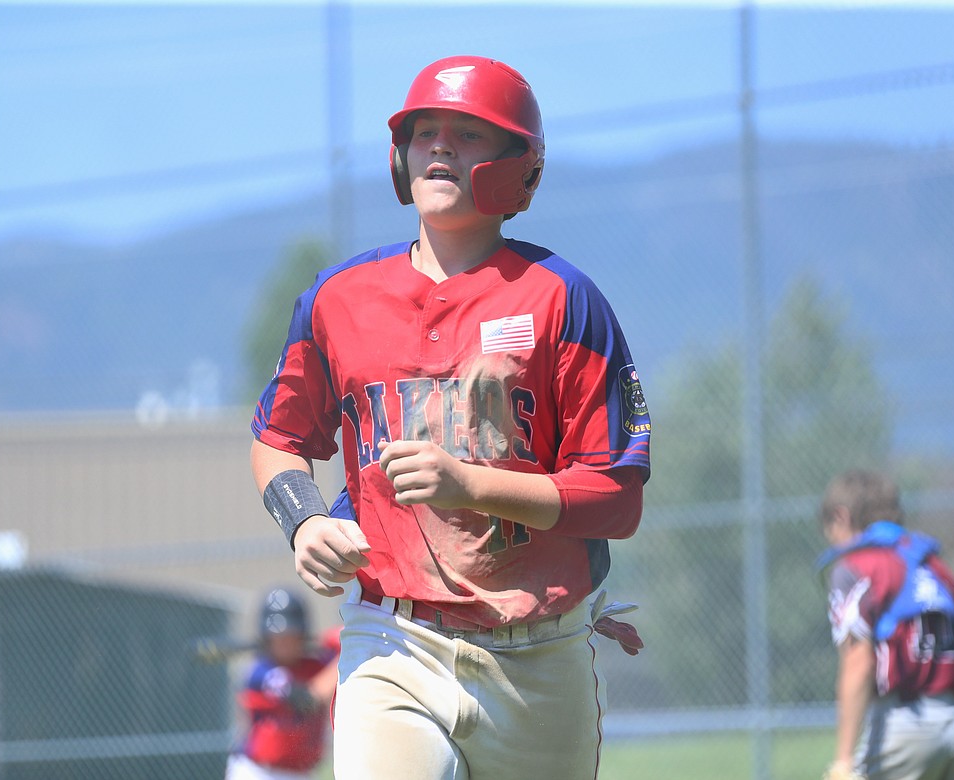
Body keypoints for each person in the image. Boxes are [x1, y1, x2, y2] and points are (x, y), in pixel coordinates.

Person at [250, 55, 651, 779]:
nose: (438, 146)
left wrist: (470, 484)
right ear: (400, 159)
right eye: (424, 131)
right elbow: (278, 441)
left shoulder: (562, 299)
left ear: (517, 167)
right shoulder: (339, 299)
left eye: (467, 134)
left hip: (539, 652)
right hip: (393, 639)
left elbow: (617, 500)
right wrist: (305, 520)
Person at [816, 469, 954, 780]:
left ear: (840, 516)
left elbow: (859, 661)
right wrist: (953, 731)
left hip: (901, 726)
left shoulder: (857, 566)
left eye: (830, 529)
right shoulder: (937, 567)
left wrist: (843, 760)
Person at [226, 587, 341, 780]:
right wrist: (341, 658)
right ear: (266, 637)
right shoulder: (260, 673)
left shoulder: (315, 666)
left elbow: (341, 645)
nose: (284, 641)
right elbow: (308, 698)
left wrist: (338, 640)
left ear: (302, 635)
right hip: (258, 773)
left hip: (303, 773)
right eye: (278, 636)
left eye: (291, 635)